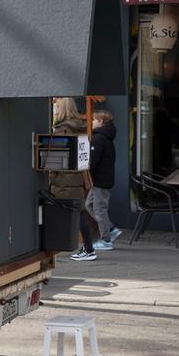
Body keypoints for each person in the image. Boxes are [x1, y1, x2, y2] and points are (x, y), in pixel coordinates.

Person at [49, 98, 96, 261]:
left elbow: (55, 161)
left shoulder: (62, 131)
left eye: (56, 107)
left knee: (57, 212)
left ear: (62, 109)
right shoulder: (80, 128)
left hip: (64, 180)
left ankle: (57, 246)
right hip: (79, 178)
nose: (54, 110)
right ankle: (89, 248)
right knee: (80, 212)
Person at [87, 109, 121, 251]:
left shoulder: (99, 138)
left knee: (99, 209)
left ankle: (106, 240)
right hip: (102, 179)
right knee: (88, 204)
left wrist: (86, 170)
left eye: (94, 120)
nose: (92, 122)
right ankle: (111, 229)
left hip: (100, 180)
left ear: (100, 121)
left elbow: (93, 161)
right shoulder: (105, 137)